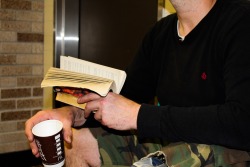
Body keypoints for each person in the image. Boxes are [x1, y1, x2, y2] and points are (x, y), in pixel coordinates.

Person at [25, 0, 250, 166]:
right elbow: (125, 99)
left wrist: (137, 115)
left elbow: (242, 122)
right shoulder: (160, 34)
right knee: (74, 142)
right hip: (169, 142)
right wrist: (72, 113)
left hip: (230, 150)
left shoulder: (240, 22)